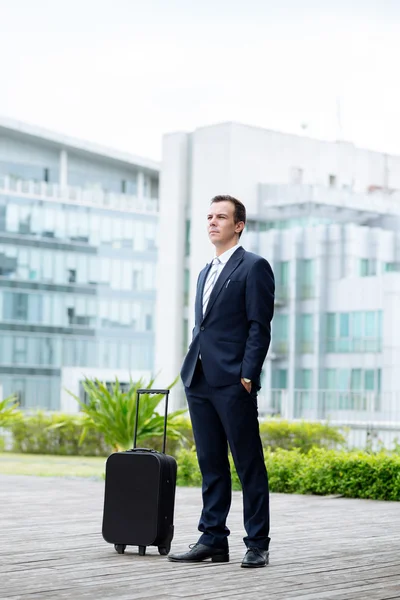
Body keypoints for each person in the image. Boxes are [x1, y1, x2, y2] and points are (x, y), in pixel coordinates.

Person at [168, 195, 275, 568]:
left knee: (248, 464)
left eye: (221, 217)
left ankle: (257, 542)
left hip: (233, 381)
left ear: (239, 225)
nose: (212, 222)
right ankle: (213, 538)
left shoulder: (254, 267)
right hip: (199, 378)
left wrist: (248, 374)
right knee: (211, 463)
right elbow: (205, 327)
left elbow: (259, 328)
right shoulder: (204, 271)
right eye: (209, 217)